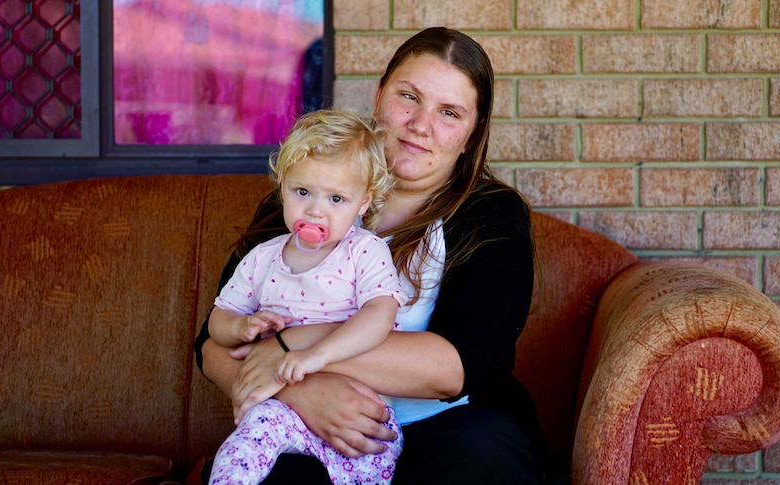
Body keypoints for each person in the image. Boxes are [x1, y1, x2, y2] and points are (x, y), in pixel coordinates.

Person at [195, 27, 550, 484]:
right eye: (409, 97)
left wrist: (292, 354)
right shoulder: (305, 202)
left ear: (471, 134)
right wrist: (299, 394)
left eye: (449, 112)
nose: (421, 125)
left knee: (479, 456)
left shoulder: (491, 215)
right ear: (379, 95)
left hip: (449, 430)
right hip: (313, 425)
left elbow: (457, 366)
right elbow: (212, 342)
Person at [207, 109, 408, 484]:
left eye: (336, 198)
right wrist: (242, 325)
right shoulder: (263, 258)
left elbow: (380, 314)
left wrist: (317, 356)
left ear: (363, 203)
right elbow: (217, 323)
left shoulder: (364, 251)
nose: (315, 209)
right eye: (302, 192)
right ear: (281, 187)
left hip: (361, 413)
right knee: (245, 447)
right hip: (281, 413)